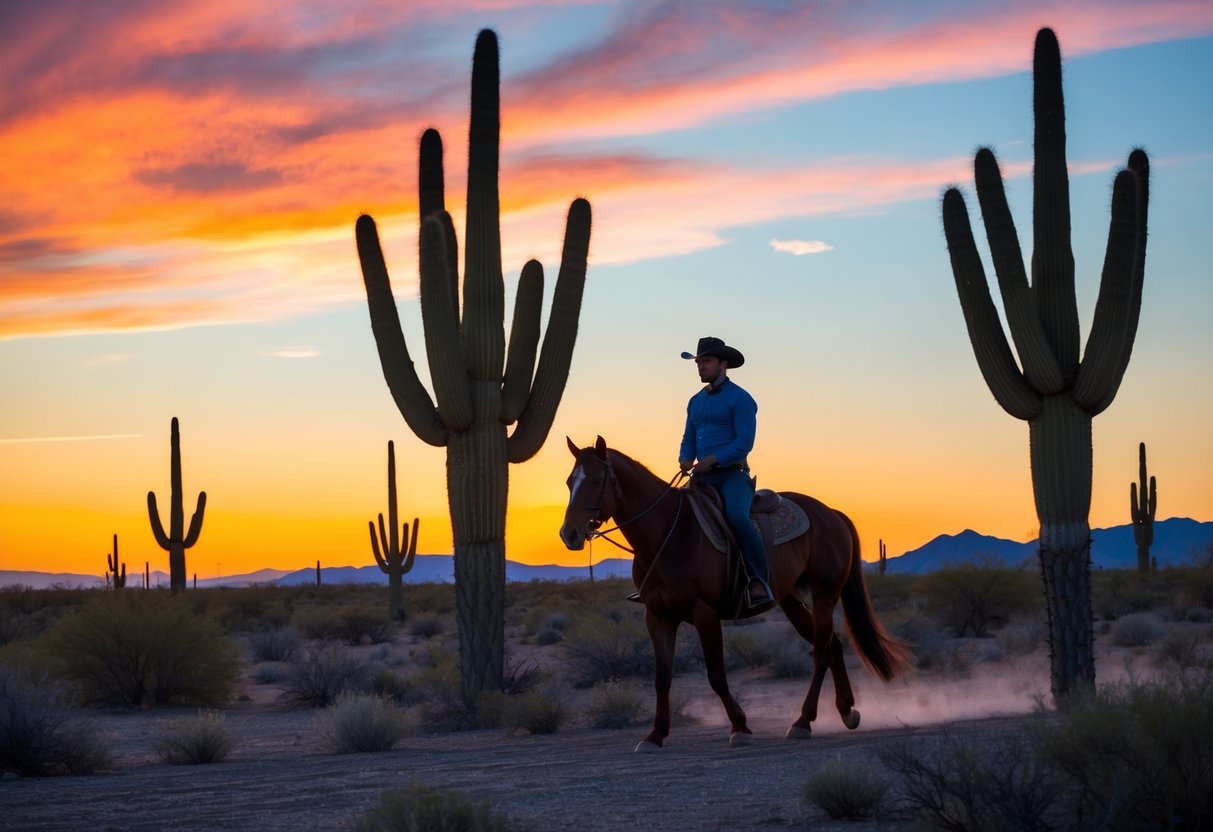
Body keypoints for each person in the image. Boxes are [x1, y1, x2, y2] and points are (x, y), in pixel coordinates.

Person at [678, 336, 772, 608]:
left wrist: (714, 459)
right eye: (698, 362)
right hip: (701, 478)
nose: (700, 367)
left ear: (723, 364)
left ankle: (758, 581)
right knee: (674, 517)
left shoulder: (741, 399)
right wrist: (685, 458)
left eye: (705, 361)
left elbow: (744, 442)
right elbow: (688, 437)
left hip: (732, 475)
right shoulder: (695, 401)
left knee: (737, 518)